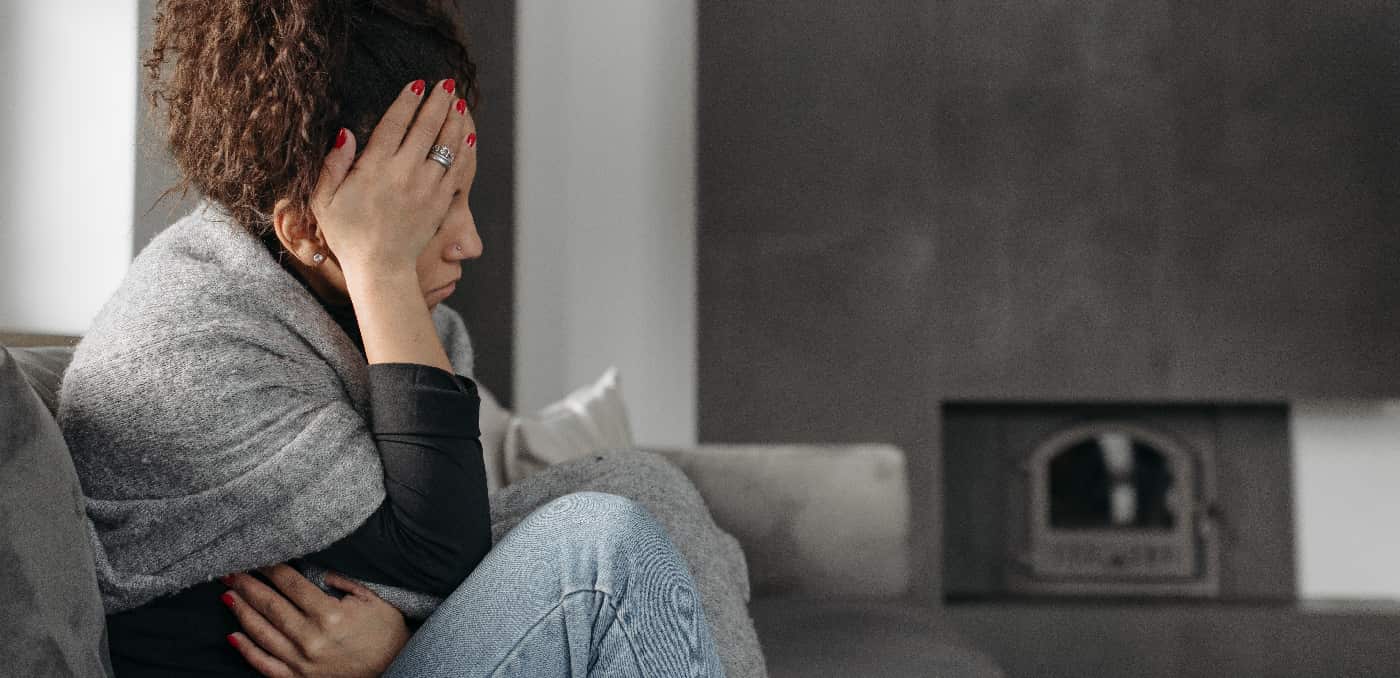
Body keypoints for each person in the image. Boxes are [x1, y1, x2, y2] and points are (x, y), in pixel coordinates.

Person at [57, 0, 765, 675]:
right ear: (307, 228)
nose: (472, 242)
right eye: (433, 207)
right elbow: (441, 558)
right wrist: (382, 265)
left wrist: (393, 651)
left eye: (465, 196)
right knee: (603, 552)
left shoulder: (352, 311)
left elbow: (435, 564)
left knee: (648, 489)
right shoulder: (183, 344)